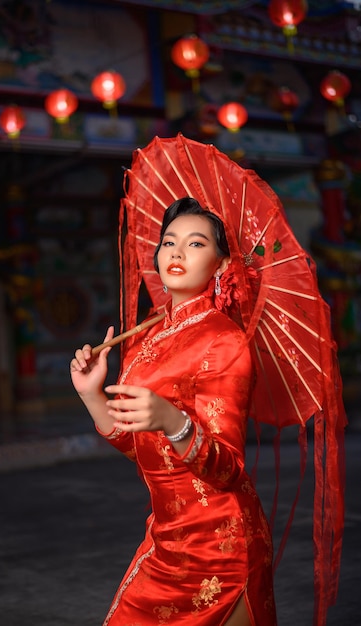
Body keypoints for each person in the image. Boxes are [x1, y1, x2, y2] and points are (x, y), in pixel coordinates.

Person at [70, 197, 277, 625]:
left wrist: (173, 421)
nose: (177, 253)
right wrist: (93, 395)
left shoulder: (225, 342)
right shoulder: (150, 335)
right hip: (168, 537)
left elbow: (229, 470)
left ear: (222, 266)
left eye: (196, 243)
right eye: (169, 242)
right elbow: (140, 447)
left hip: (220, 544)